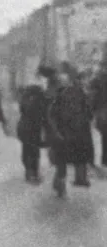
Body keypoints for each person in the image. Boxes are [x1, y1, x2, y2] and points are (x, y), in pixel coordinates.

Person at [45, 61, 93, 197]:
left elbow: (51, 114)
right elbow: (89, 115)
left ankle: (60, 183)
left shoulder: (59, 94)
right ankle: (76, 179)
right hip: (77, 134)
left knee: (61, 160)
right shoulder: (82, 94)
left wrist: (55, 131)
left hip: (62, 133)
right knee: (75, 157)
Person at [18, 69, 51, 183]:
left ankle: (28, 172)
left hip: (23, 127)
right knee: (34, 151)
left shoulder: (25, 95)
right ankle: (35, 173)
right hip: (34, 127)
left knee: (26, 149)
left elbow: (21, 110)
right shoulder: (42, 97)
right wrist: (48, 130)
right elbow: (46, 115)